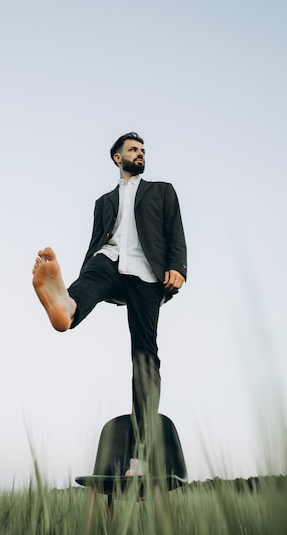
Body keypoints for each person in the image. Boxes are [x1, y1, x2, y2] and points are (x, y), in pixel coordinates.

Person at [32, 132, 187, 475]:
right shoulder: (104, 201)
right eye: (133, 149)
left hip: (147, 273)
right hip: (109, 260)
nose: (140, 154)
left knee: (145, 356)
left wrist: (178, 266)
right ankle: (67, 306)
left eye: (143, 150)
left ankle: (141, 458)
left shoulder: (162, 191)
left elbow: (175, 230)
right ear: (118, 158)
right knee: (92, 275)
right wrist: (86, 272)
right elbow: (94, 241)